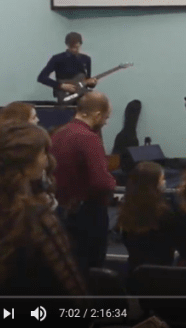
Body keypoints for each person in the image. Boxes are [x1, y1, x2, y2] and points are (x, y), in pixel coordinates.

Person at [0, 122, 87, 298]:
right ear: (25, 163)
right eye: (43, 153)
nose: (48, 160)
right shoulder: (39, 218)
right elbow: (71, 287)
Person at [50, 91, 116, 275]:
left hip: (61, 212)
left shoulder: (58, 134)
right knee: (90, 272)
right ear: (97, 115)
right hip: (88, 216)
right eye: (106, 117)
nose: (106, 122)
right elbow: (102, 183)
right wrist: (112, 183)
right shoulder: (89, 138)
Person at [117, 162, 175, 274]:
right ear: (154, 184)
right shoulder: (166, 214)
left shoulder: (126, 214)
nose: (165, 182)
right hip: (164, 276)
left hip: (134, 275)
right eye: (162, 179)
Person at [38, 32, 97, 97]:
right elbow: (41, 77)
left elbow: (87, 82)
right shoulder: (57, 58)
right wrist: (61, 86)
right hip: (65, 95)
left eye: (76, 46)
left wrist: (92, 83)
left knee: (97, 98)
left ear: (80, 44)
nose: (74, 49)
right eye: (72, 47)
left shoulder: (86, 59)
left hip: (83, 95)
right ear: (67, 44)